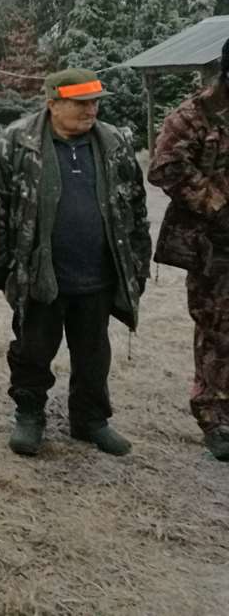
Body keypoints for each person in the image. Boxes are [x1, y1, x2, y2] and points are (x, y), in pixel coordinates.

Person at [0, 68, 149, 459]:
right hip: (39, 274)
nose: (91, 110)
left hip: (98, 274)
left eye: (95, 102)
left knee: (94, 354)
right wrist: (1, 267)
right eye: (80, 103)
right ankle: (29, 415)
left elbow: (136, 205)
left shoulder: (115, 143)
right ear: (53, 103)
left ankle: (90, 420)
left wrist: (137, 263)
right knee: (32, 350)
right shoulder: (17, 142)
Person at [148, 38, 229, 461]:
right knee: (219, 329)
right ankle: (215, 417)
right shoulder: (193, 116)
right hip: (215, 243)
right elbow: (165, 168)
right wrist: (219, 206)